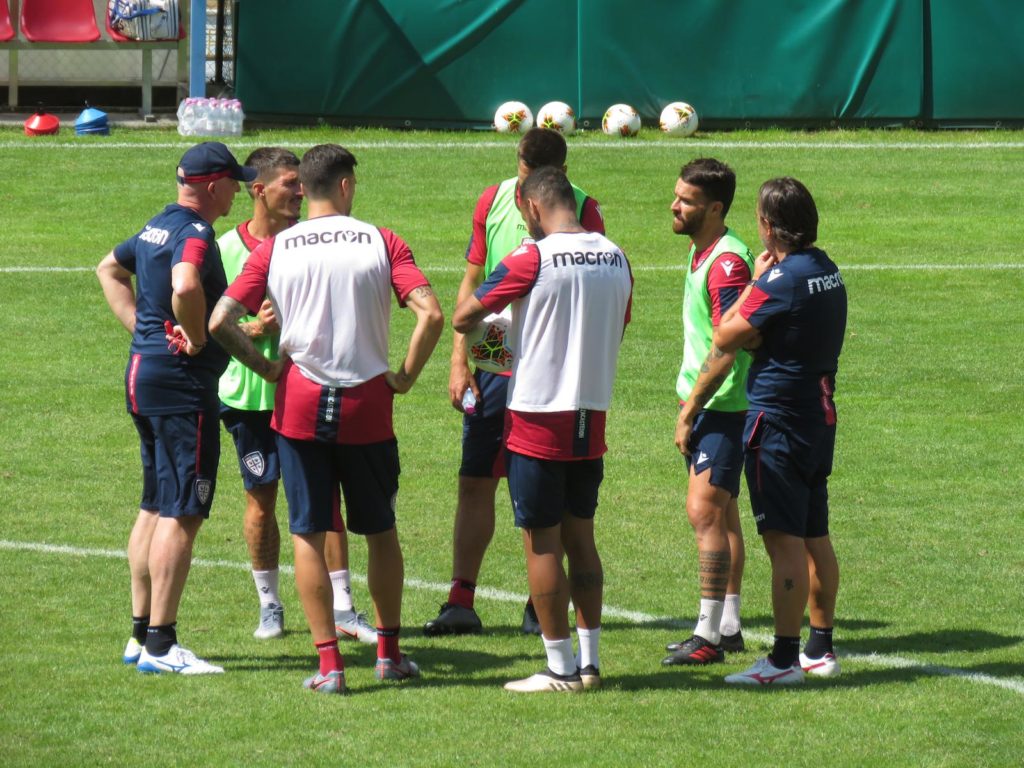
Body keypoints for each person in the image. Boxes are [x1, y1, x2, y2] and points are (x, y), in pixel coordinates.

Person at [210, 144, 443, 695]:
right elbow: (431, 314)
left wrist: (267, 367)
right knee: (380, 531)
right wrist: (405, 376)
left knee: (308, 532)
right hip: (367, 407)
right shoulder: (383, 241)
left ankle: (330, 667)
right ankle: (389, 654)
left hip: (300, 406)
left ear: (306, 188)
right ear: (344, 186)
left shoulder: (275, 248)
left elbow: (219, 320)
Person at [453, 167, 633, 693]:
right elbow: (619, 324)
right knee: (583, 536)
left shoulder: (531, 258)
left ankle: (559, 669)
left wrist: (501, 333)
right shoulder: (616, 256)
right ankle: (590, 664)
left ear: (532, 207)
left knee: (542, 542)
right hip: (591, 413)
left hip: (537, 415)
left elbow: (464, 316)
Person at [426, 127, 606, 638]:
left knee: (551, 494)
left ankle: (540, 605)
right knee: (475, 479)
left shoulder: (584, 210)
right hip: (495, 362)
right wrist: (460, 359)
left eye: (534, 178)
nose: (524, 191)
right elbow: (473, 280)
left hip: (551, 376)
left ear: (560, 175)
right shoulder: (492, 200)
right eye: (521, 173)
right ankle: (461, 600)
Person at [679, 177, 846, 686]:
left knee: (783, 542)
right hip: (818, 416)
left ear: (769, 226)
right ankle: (820, 648)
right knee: (816, 534)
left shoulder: (781, 280)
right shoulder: (827, 270)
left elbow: (726, 332)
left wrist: (755, 281)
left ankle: (783, 660)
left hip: (777, 423)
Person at [97, 141, 255, 674]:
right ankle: (162, 646)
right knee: (184, 509)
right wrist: (196, 337)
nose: (238, 190)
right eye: (234, 181)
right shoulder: (196, 233)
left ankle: (140, 635)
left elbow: (108, 269)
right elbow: (185, 284)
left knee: (155, 503)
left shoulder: (156, 225)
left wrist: (143, 331)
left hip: (145, 376)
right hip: (181, 388)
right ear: (213, 186)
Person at [216, 147, 376, 645]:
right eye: (290, 183)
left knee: (327, 502)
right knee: (262, 499)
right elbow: (205, 323)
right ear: (259, 190)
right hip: (251, 398)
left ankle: (344, 607)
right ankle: (270, 605)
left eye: (301, 183)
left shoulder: (310, 242)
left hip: (311, 394)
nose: (301, 191)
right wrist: (255, 328)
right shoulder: (224, 250)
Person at [662, 159, 752, 667]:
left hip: (721, 406)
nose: (675, 206)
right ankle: (728, 626)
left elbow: (727, 345)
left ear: (715, 208)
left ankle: (707, 636)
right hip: (709, 403)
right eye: (677, 196)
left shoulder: (726, 264)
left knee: (704, 512)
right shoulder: (707, 251)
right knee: (723, 513)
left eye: (687, 201)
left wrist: (691, 408)